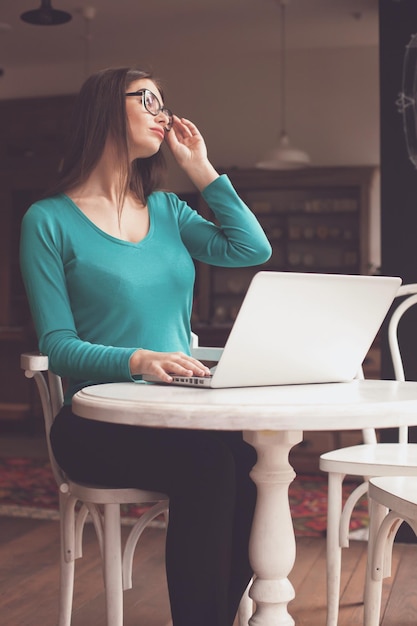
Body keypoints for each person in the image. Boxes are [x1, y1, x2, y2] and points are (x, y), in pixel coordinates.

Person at [20, 66, 272, 626]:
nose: (163, 112)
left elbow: (251, 249)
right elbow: (57, 345)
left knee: (252, 459)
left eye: (164, 102)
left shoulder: (167, 210)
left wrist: (201, 170)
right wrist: (136, 360)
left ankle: (219, 614)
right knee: (210, 464)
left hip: (180, 414)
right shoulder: (48, 220)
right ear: (107, 109)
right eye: (148, 100)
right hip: (95, 422)